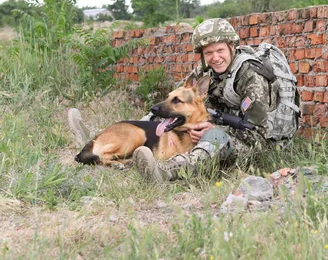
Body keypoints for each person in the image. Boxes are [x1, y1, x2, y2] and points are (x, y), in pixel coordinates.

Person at [68, 18, 300, 182]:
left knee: (213, 137)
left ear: (231, 46)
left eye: (220, 50)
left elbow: (257, 132)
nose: (215, 58)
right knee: (166, 112)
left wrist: (213, 127)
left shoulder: (251, 75)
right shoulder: (206, 70)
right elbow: (178, 102)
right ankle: (99, 140)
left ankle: (167, 171)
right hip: (224, 125)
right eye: (208, 53)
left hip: (259, 140)